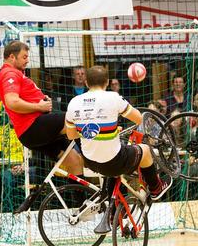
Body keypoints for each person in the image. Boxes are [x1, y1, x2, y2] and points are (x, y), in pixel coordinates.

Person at [0, 40, 83, 212]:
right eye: (24, 57)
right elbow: (12, 102)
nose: (27, 60)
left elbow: (23, 98)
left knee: (75, 161)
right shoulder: (9, 74)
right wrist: (39, 106)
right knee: (75, 119)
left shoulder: (16, 73)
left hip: (34, 130)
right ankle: (106, 152)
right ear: (12, 57)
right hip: (33, 127)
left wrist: (42, 101)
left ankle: (80, 208)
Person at [65, 65, 172, 201]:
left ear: (86, 82)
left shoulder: (74, 102)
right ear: (107, 82)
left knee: (113, 161)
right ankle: (156, 189)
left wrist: (102, 129)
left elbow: (71, 135)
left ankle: (113, 212)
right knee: (145, 150)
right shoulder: (113, 97)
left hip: (90, 162)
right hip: (113, 162)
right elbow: (139, 119)